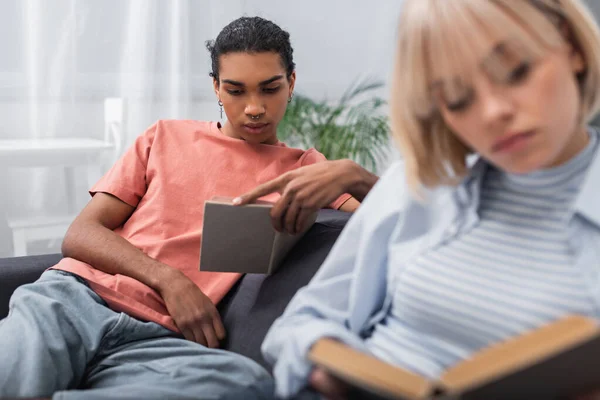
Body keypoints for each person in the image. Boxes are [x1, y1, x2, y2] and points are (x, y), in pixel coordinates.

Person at [0, 16, 374, 400]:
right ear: (216, 87)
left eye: (270, 88)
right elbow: (80, 234)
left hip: (159, 342)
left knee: (247, 384)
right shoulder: (164, 135)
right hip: (73, 301)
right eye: (235, 91)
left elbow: (398, 220)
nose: (254, 108)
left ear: (291, 83)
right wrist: (169, 279)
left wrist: (357, 176)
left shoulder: (305, 168)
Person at [260, 0, 600, 399]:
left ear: (572, 48)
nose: (492, 112)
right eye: (457, 99)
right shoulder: (419, 184)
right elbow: (298, 324)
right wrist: (335, 368)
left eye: (516, 71)